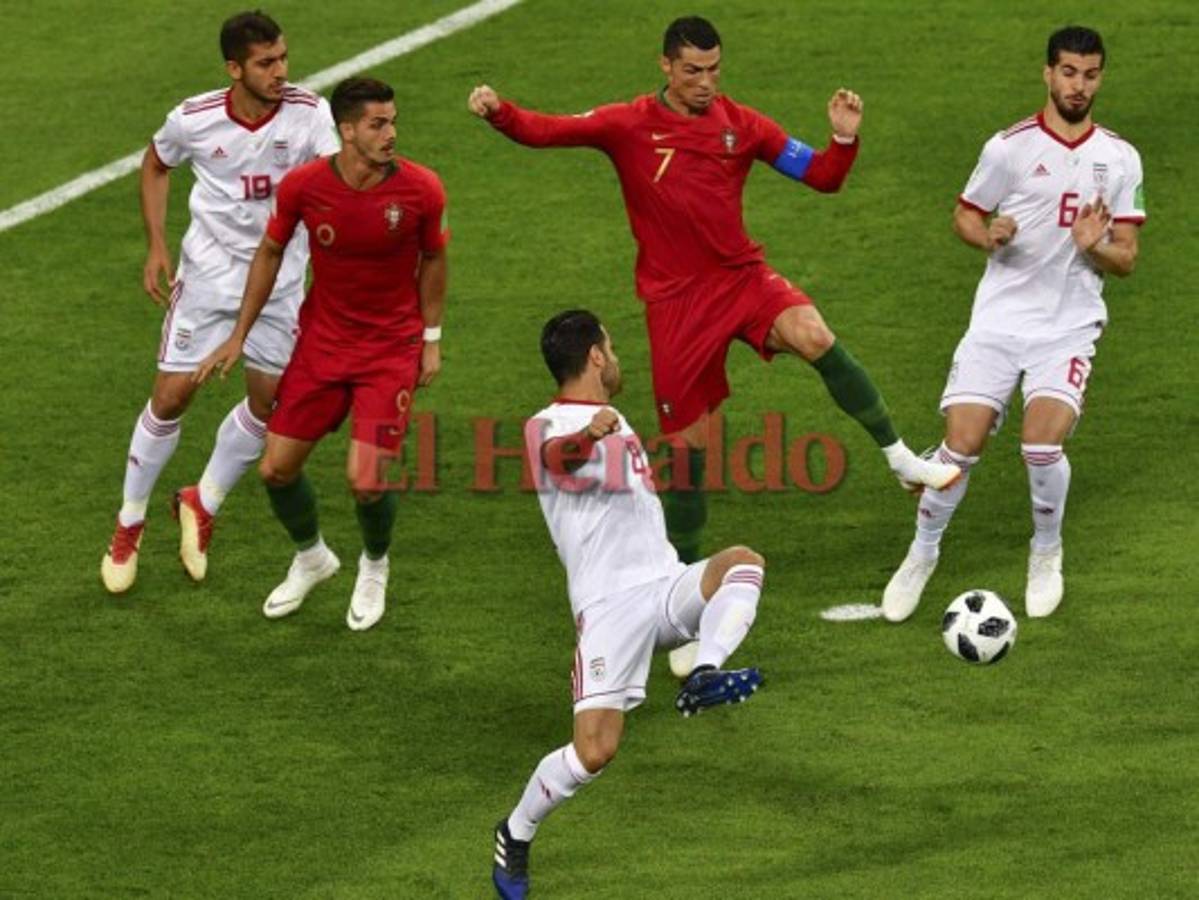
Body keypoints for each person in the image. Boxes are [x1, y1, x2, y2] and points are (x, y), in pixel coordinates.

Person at [469, 15, 960, 574]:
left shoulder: (742, 126)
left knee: (813, 333)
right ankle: (680, 583)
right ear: (666, 67)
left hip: (740, 277)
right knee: (686, 449)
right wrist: (499, 112)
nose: (706, 82)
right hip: (676, 303)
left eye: (714, 70)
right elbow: (548, 129)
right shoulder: (628, 124)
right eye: (693, 71)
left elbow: (822, 176)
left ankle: (899, 458)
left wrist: (843, 139)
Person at [491, 310, 766, 900]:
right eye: (610, 348)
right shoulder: (548, 424)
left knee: (741, 562)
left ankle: (706, 670)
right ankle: (515, 832)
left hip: (662, 586)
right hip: (608, 608)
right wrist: (590, 434)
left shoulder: (616, 420)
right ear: (594, 355)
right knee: (594, 752)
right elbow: (557, 460)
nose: (617, 358)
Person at [882, 26, 1144, 622]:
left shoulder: (1120, 157)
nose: (1080, 86)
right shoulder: (1009, 148)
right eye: (1070, 73)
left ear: (1100, 77)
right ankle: (922, 554)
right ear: (1048, 74)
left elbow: (1126, 257)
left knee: (1040, 445)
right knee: (960, 447)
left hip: (1068, 326)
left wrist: (1094, 247)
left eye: (1091, 74)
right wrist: (987, 233)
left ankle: (1045, 551)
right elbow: (965, 215)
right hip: (998, 322)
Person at [194, 77, 449, 631]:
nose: (391, 134)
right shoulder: (305, 187)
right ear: (347, 129)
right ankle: (313, 558)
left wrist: (430, 340)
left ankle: (374, 565)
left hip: (389, 349)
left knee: (367, 480)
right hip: (322, 346)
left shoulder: (421, 190)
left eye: (393, 121)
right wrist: (239, 336)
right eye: (378, 124)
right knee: (276, 470)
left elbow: (433, 259)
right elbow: (268, 253)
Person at [101, 11, 339, 593]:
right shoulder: (194, 120)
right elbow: (157, 164)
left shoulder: (310, 114)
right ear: (235, 68)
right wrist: (157, 245)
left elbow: (336, 183)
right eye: (266, 63)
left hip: (280, 286)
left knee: (269, 403)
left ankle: (201, 501)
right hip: (209, 279)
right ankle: (129, 522)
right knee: (172, 396)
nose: (280, 71)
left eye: (283, 57)